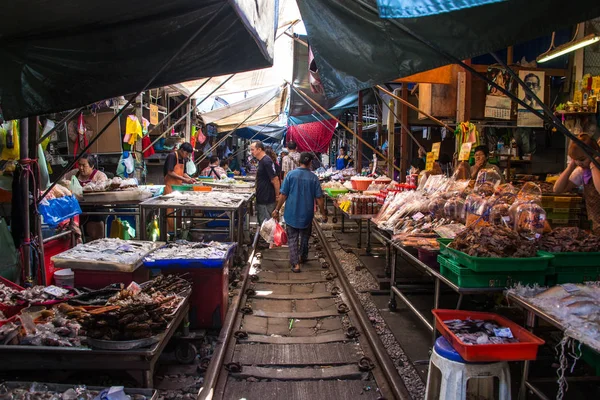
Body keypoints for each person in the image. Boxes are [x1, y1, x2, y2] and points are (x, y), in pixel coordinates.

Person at [272, 152, 327, 273]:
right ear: (310, 163)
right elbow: (319, 199)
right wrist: (323, 213)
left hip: (291, 212)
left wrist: (276, 209)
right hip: (307, 213)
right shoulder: (313, 178)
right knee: (305, 237)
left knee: (292, 238)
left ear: (300, 161)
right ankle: (302, 256)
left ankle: (295, 264)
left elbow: (283, 195)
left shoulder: (291, 175)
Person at [554, 134, 600, 234]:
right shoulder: (582, 172)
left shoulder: (596, 170)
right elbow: (557, 189)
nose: (579, 163)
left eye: (582, 159)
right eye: (576, 159)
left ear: (594, 155)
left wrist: (593, 165)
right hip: (596, 225)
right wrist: (570, 167)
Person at [63, 153, 108, 241]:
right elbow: (62, 181)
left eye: (84, 165)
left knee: (96, 220)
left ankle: (96, 242)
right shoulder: (74, 173)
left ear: (92, 166)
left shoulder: (100, 176)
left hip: (95, 206)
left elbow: (102, 191)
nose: (81, 168)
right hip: (77, 206)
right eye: (79, 165)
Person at [251, 141, 280, 239]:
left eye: (252, 149)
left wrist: (277, 196)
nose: (251, 152)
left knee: (266, 222)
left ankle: (267, 241)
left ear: (259, 149)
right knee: (264, 221)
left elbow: (275, 179)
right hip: (263, 195)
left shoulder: (266, 161)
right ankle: (267, 241)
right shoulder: (262, 160)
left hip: (266, 197)